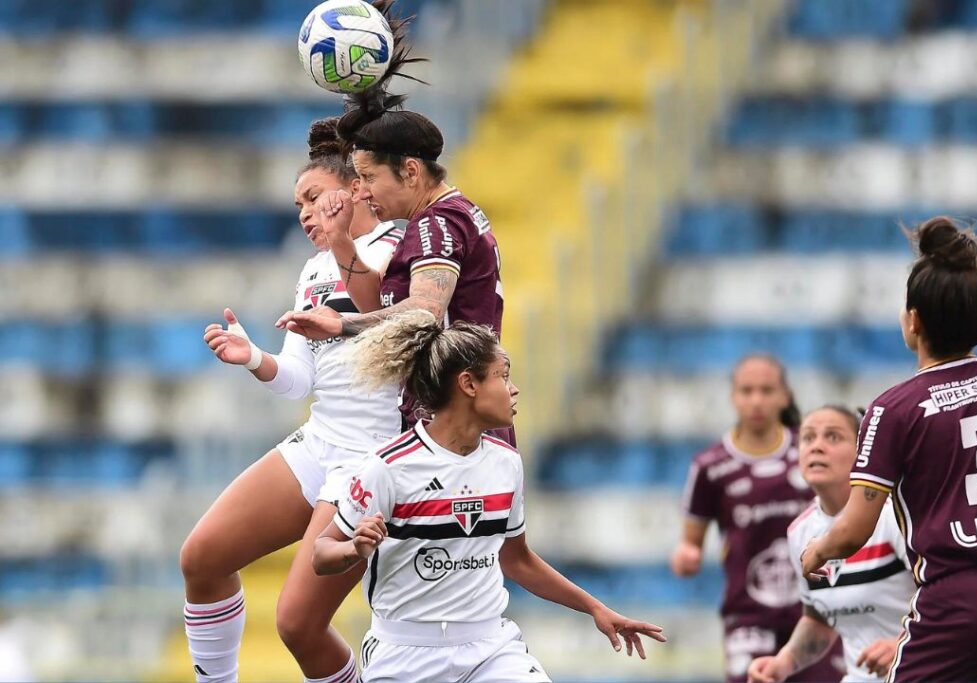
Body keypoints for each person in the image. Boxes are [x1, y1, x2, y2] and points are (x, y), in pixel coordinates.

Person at [311, 310, 666, 682]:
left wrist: (595, 609)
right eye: (503, 377)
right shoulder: (386, 467)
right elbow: (321, 554)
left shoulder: (506, 463)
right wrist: (354, 549)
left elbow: (518, 560)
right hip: (403, 654)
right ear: (468, 384)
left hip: (490, 649)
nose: (513, 390)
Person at [179, 111, 406, 683]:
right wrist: (253, 357)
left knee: (298, 625)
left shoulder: (400, 242)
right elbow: (299, 381)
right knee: (201, 558)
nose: (304, 213)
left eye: (312, 196)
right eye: (297, 206)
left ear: (355, 187)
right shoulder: (312, 269)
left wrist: (343, 240)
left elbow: (388, 315)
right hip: (321, 440)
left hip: (375, 457)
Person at [801, 217, 977, 682]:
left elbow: (855, 530)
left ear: (913, 321)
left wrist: (817, 551)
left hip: (957, 597)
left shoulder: (893, 409)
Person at [273, 39, 510, 442]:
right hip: (455, 423)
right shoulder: (452, 216)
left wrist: (340, 324)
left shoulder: (435, 225)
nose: (361, 192)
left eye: (368, 178)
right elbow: (381, 296)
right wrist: (342, 239)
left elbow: (424, 311)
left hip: (452, 429)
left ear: (412, 171)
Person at [669, 354, 843, 683]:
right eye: (747, 391)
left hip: (816, 608)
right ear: (733, 397)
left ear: (785, 396)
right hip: (749, 616)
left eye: (766, 390)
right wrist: (686, 556)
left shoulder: (810, 453)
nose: (757, 401)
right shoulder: (710, 466)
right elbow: (690, 542)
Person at [749, 406, 915, 682]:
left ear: (863, 454)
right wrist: (783, 663)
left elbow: (952, 597)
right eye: (808, 438)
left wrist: (904, 643)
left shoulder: (895, 516)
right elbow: (820, 618)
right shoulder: (800, 532)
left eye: (833, 437)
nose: (817, 447)